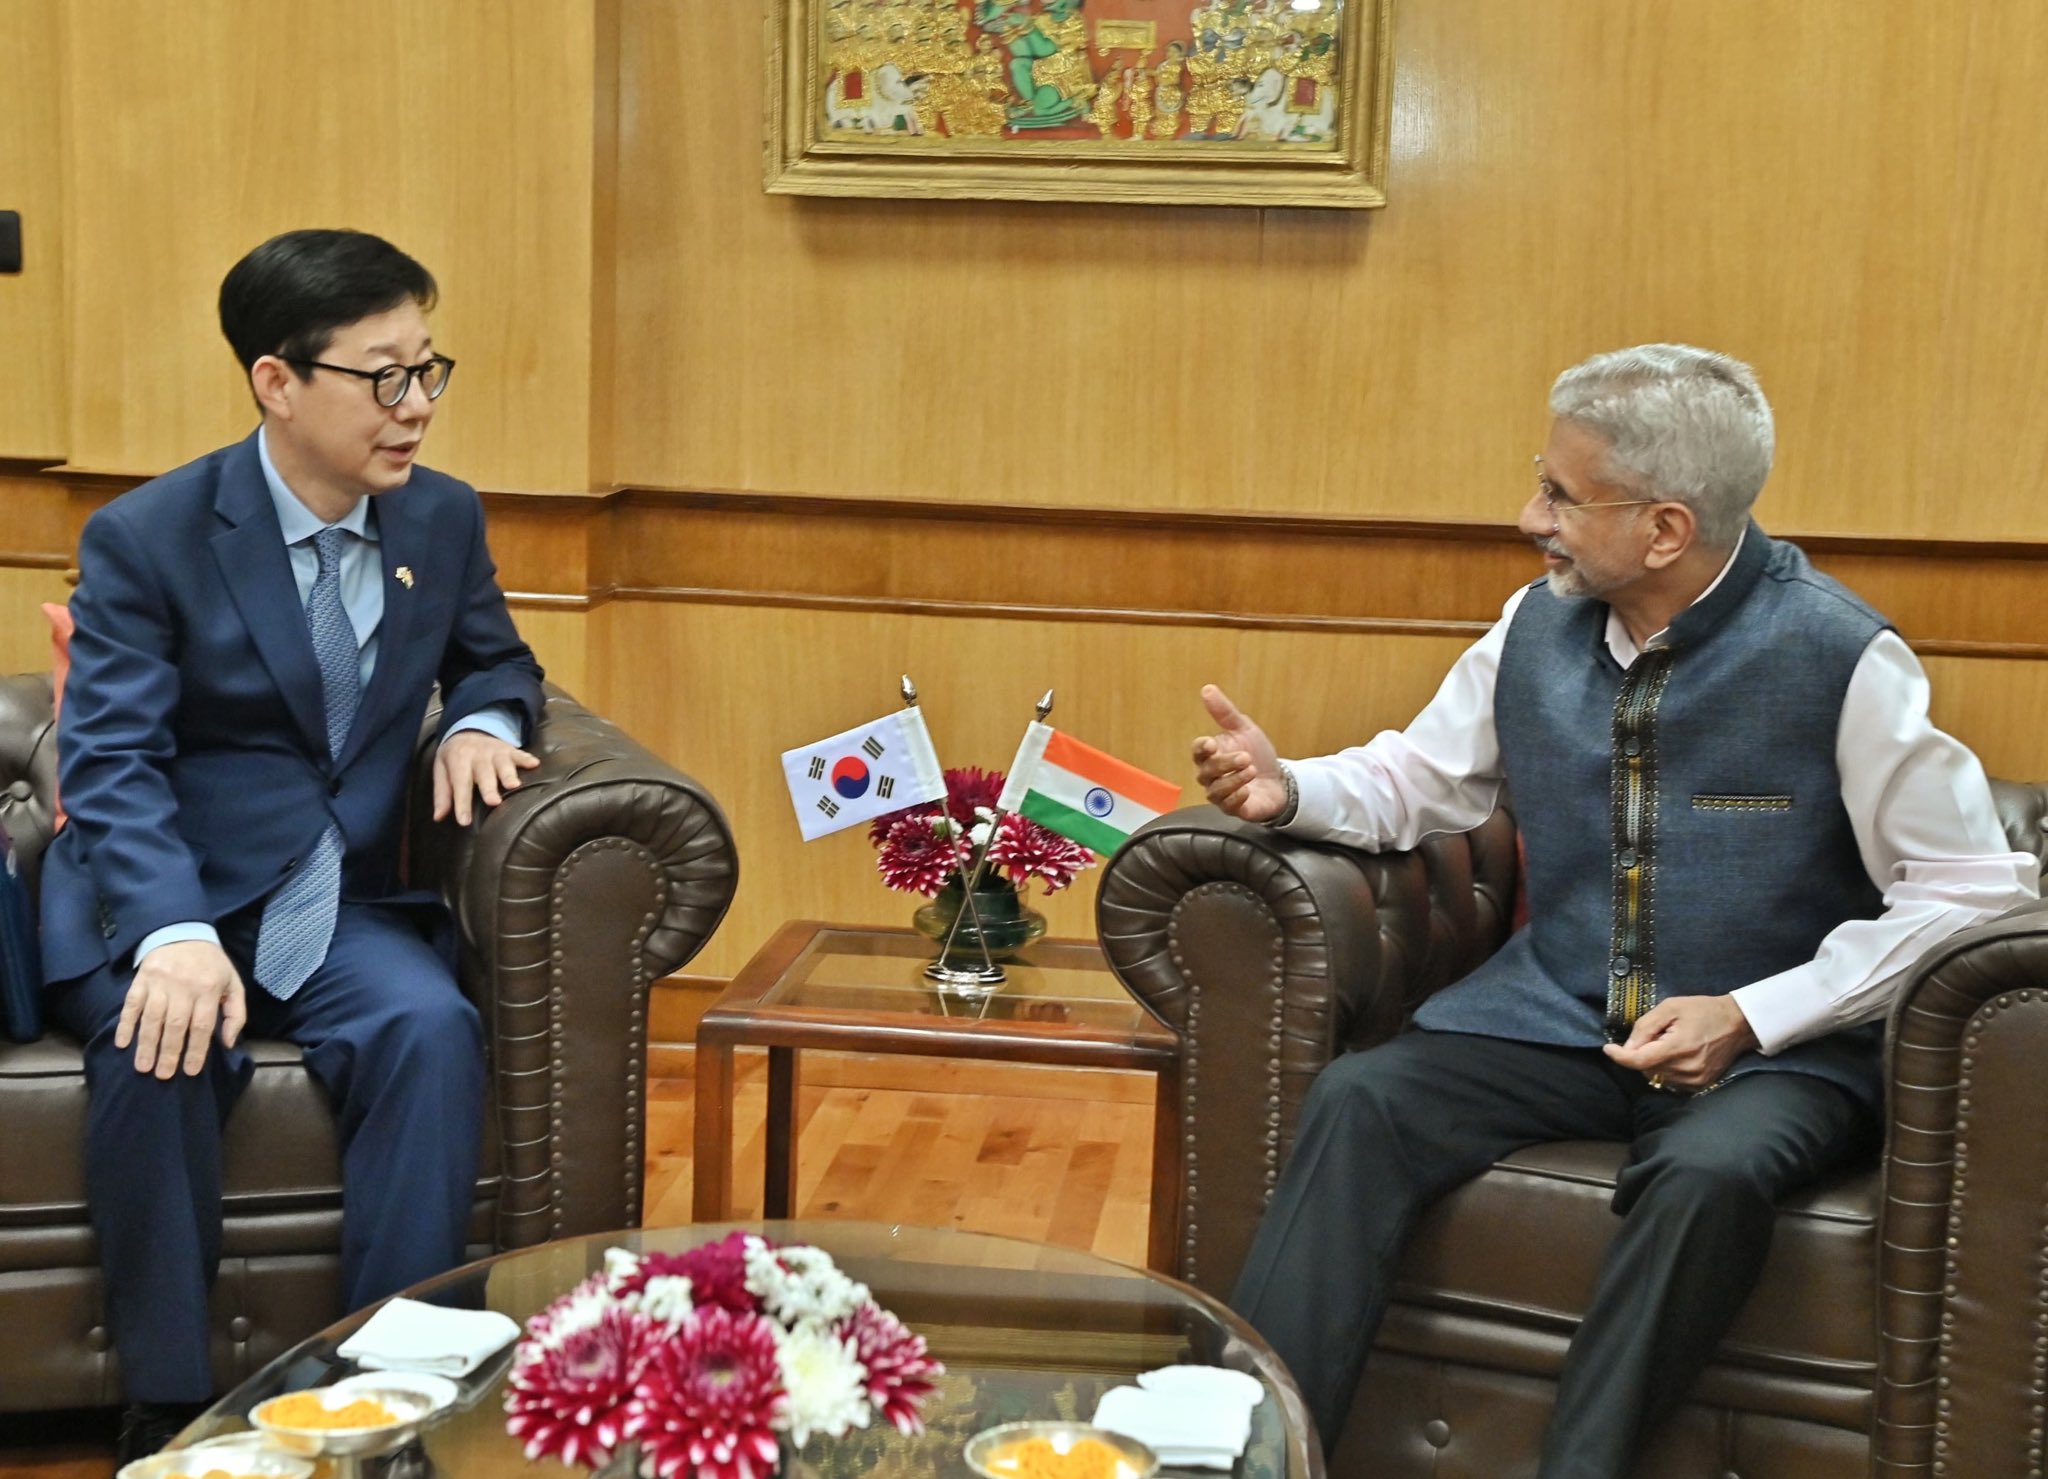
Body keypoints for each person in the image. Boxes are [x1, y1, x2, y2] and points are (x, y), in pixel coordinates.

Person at [1191, 344, 2038, 1476]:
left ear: (1664, 529)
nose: (1528, 517)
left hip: (1778, 1058)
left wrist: (1752, 1013)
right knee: (1362, 1099)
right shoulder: (1531, 623)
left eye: (1560, 495)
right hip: (1553, 1019)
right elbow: (1421, 778)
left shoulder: (1841, 654)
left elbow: (1971, 892)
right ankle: (1244, 1459)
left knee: (1708, 1175)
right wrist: (1287, 786)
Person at [39, 229, 546, 1460]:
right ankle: (169, 1408)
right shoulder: (151, 536)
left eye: (428, 369)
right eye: (384, 376)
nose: (416, 405)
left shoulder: (440, 517)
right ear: (277, 381)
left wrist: (481, 722)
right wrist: (169, 931)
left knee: (429, 1029)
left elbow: (498, 660)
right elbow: (110, 759)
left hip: (337, 905)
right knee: (159, 1052)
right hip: (171, 890)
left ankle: (391, 1387)